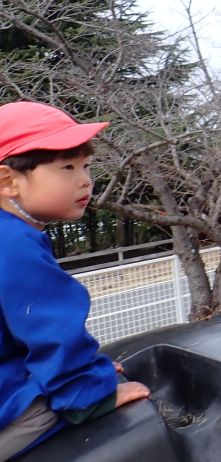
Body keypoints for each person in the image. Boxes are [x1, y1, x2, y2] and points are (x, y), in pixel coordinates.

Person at [0, 102, 150, 460]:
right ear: (8, 181)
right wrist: (90, 390)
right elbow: (51, 328)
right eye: (67, 167)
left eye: (86, 165)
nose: (84, 180)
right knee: (50, 410)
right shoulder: (14, 244)